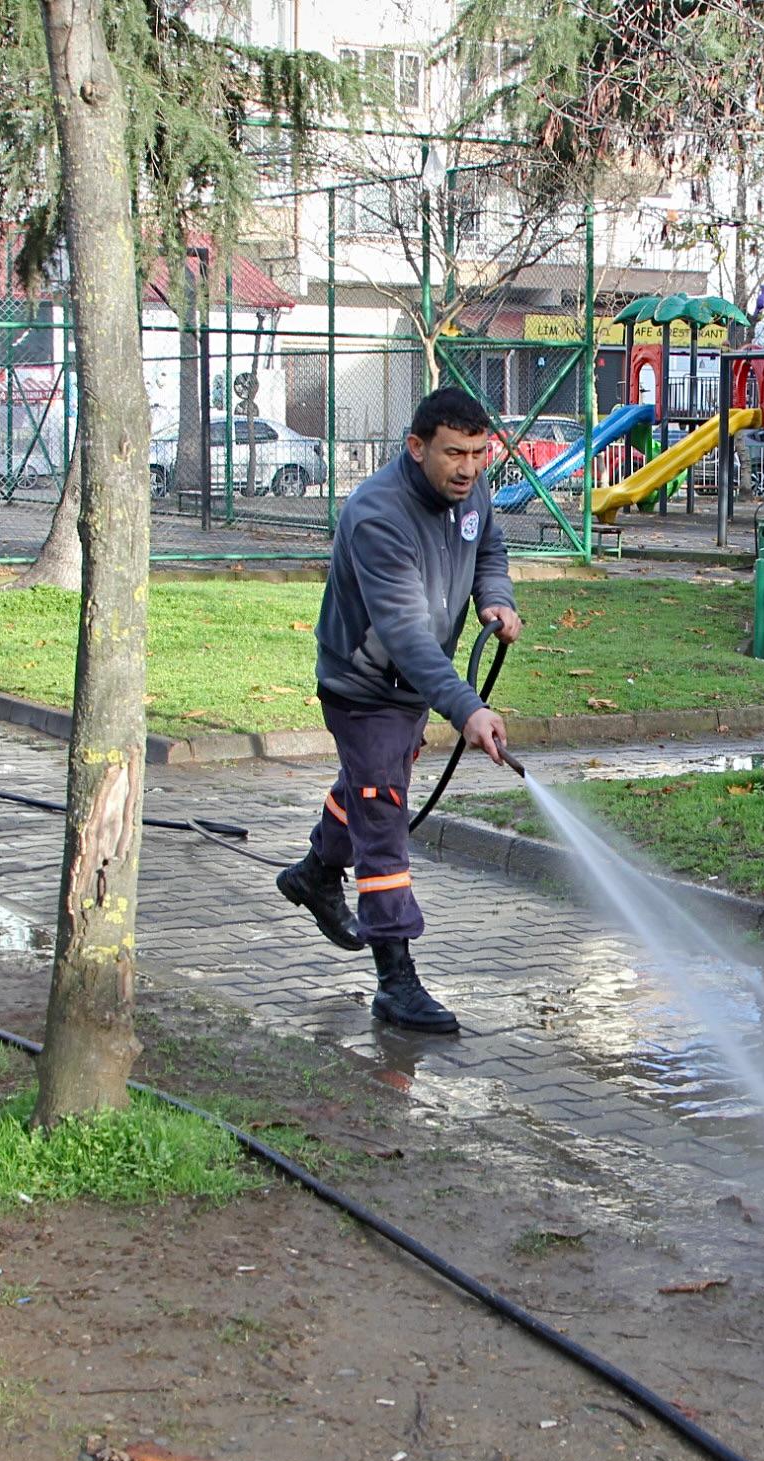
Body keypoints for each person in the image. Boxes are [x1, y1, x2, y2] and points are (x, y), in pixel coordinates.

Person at [275, 387, 520, 1033]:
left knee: (369, 786)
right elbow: (405, 634)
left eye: (479, 453)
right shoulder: (377, 516)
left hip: (416, 682)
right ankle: (395, 981)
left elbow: (488, 550)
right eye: (454, 454)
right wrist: (466, 708)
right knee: (382, 814)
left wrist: (495, 597)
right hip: (365, 685)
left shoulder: (472, 491)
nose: (468, 468)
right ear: (416, 447)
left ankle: (315, 873)